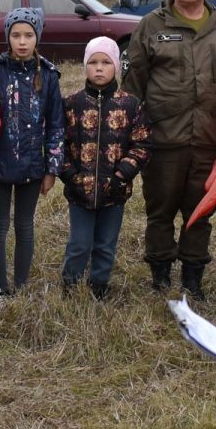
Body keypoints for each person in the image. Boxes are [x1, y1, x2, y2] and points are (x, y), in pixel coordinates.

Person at [123, 0, 216, 298]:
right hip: (163, 141)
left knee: (200, 211)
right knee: (160, 212)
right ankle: (160, 274)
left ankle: (193, 278)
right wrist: (132, 133)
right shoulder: (150, 26)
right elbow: (133, 85)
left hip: (208, 139)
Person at [0, 6, 64, 298]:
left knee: (25, 225)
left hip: (33, 167)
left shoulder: (50, 78)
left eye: (28, 35)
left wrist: (52, 169)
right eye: (15, 35)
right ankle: (0, 288)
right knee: (0, 224)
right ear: (8, 37)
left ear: (37, 37)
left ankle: (20, 285)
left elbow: (56, 125)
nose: (22, 41)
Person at [59, 36, 148, 299]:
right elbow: (59, 144)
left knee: (105, 244)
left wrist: (123, 174)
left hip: (115, 191)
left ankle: (99, 285)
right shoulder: (72, 103)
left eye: (106, 62)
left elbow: (142, 144)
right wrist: (70, 175)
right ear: (85, 67)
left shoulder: (131, 104)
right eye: (93, 62)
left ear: (117, 68)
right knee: (79, 243)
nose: (99, 68)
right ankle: (70, 284)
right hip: (79, 191)